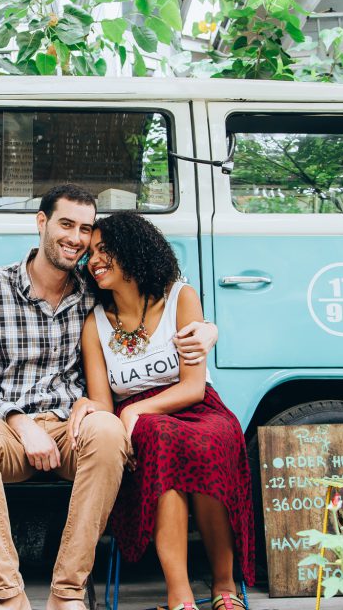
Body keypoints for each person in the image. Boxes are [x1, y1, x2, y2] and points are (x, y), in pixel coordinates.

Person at [0, 185, 219, 610]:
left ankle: (67, 593)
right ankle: (9, 597)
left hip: (72, 429)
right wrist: (20, 423)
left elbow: (160, 290)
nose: (77, 239)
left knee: (109, 431)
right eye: (66, 225)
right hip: (7, 430)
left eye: (85, 229)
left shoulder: (95, 289)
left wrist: (210, 329)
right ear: (42, 223)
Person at [74, 212, 255, 610]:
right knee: (160, 439)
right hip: (143, 423)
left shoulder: (180, 298)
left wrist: (137, 410)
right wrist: (90, 407)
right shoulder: (95, 325)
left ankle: (224, 587)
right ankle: (181, 595)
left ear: (135, 250)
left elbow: (192, 387)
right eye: (90, 254)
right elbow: (105, 401)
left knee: (208, 443)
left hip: (196, 408)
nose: (95, 261)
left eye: (105, 250)